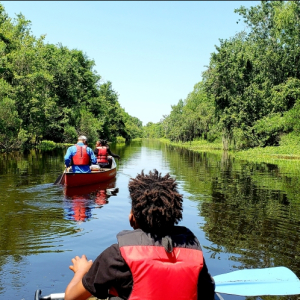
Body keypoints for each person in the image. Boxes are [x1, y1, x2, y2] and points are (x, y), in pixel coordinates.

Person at [65, 169, 215, 300]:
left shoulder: (116, 256)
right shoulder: (194, 253)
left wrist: (81, 271)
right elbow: (207, 293)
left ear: (132, 218)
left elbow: (71, 297)